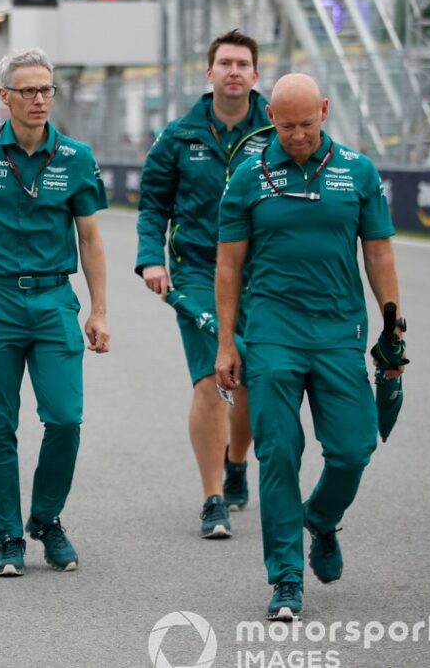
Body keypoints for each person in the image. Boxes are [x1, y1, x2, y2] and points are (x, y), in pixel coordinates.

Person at [215, 73, 405, 621]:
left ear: (324, 110)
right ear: (269, 116)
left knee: (353, 448)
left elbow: (379, 253)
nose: (297, 134)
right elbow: (228, 265)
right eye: (285, 124)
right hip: (272, 329)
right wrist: (228, 342)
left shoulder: (357, 171)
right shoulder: (248, 177)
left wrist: (394, 325)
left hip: (338, 329)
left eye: (306, 123)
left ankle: (320, 518)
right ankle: (286, 579)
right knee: (278, 451)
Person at [0, 49, 111, 577]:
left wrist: (100, 310)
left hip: (54, 300)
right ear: (4, 97)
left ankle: (47, 519)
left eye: (46, 90)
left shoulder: (75, 156)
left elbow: (91, 237)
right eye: (28, 91)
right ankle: (8, 536)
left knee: (65, 417)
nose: (39, 99)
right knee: (1, 426)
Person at [135, 29, 273, 538]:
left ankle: (239, 460)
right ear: (209, 73)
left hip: (263, 273)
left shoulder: (277, 131)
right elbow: (152, 205)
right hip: (195, 273)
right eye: (225, 63)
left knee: (254, 378)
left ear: (255, 76)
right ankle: (213, 496)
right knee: (213, 378)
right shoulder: (178, 135)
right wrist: (152, 259)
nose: (234, 71)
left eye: (243, 64)